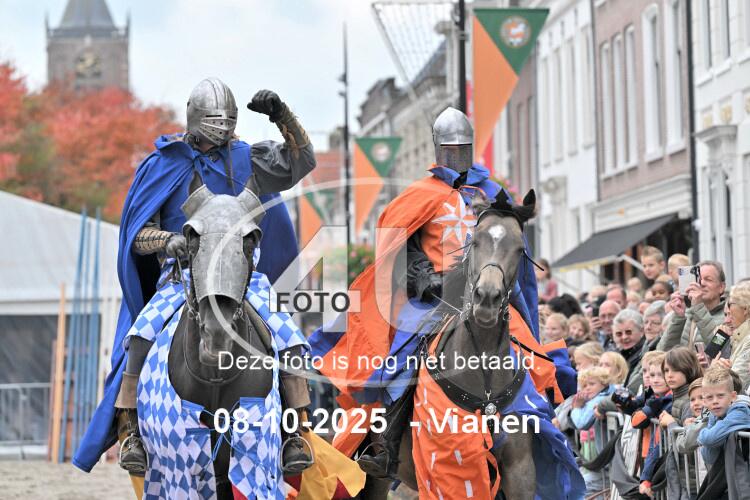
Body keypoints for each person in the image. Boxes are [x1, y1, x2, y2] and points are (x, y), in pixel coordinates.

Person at [74, 79, 316, 475]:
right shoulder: (164, 165)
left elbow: (301, 162)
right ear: (197, 119)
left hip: (242, 277)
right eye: (216, 122)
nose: (223, 130)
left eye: (228, 122)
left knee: (288, 335)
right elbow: (138, 234)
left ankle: (296, 432)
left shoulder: (248, 158)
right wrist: (168, 241)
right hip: (182, 276)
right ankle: (131, 429)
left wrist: (281, 116)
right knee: (141, 334)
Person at [310, 107, 554, 480]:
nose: (456, 156)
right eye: (450, 149)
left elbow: (510, 242)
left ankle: (544, 428)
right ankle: (386, 443)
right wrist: (423, 276)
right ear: (438, 149)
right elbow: (397, 248)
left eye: (462, 148)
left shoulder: (492, 193)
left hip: (488, 291)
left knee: (531, 352)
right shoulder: (419, 195)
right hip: (435, 297)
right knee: (400, 358)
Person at [659, 261, 727, 352]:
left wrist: (698, 307)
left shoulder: (729, 316)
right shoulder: (686, 314)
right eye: (698, 279)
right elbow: (663, 351)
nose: (701, 283)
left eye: (708, 279)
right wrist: (678, 317)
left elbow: (719, 347)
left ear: (721, 287)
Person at [570, 367, 616, 496]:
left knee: (576, 489)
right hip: (607, 462)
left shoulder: (599, 399)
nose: (588, 388)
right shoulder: (608, 394)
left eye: (592, 384)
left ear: (604, 383)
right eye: (584, 386)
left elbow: (581, 422)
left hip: (608, 463)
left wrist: (576, 408)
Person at [697, 366, 750, 466]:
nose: (715, 401)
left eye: (720, 395)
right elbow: (710, 458)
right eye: (709, 397)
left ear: (733, 396)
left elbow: (709, 439)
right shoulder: (715, 415)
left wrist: (701, 434)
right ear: (704, 401)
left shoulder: (740, 411)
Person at [711, 282, 750, 389]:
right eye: (725, 314)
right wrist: (717, 341)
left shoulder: (747, 340)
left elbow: (736, 385)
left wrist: (714, 369)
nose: (727, 320)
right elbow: (707, 361)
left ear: (745, 309)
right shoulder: (735, 336)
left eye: (730, 305)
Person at [612, 309, 646, 393]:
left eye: (628, 332)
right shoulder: (614, 355)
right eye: (619, 334)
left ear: (641, 331)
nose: (624, 337)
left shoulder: (646, 353)